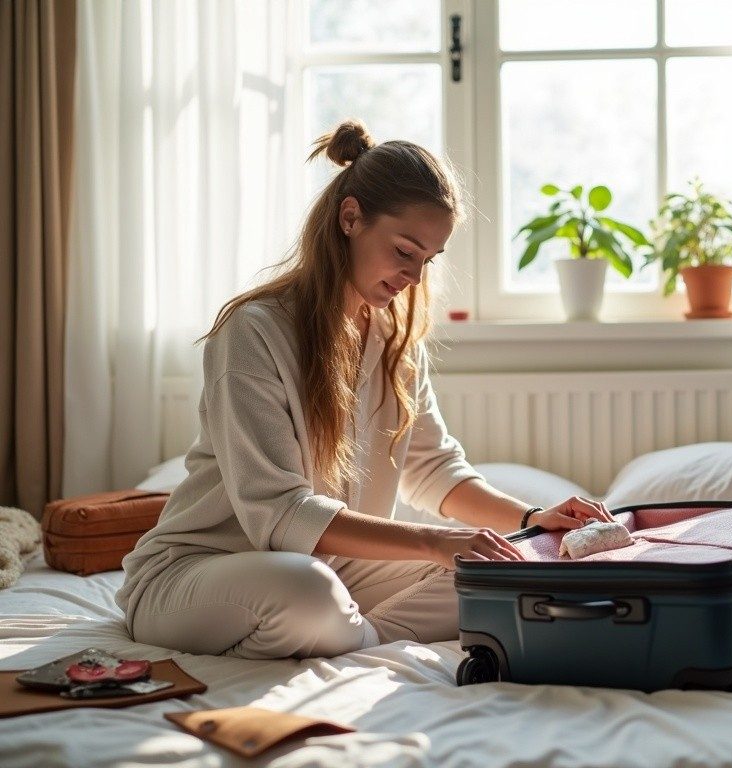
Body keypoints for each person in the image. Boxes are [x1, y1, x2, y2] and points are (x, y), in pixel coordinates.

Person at [114, 119, 613, 660]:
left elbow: (435, 471)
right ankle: (333, 626)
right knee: (308, 590)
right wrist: (430, 541)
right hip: (196, 574)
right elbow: (279, 514)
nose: (414, 278)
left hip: (327, 570)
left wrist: (528, 521)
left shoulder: (395, 340)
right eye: (404, 251)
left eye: (428, 259)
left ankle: (356, 638)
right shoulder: (252, 333)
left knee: (501, 569)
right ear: (350, 218)